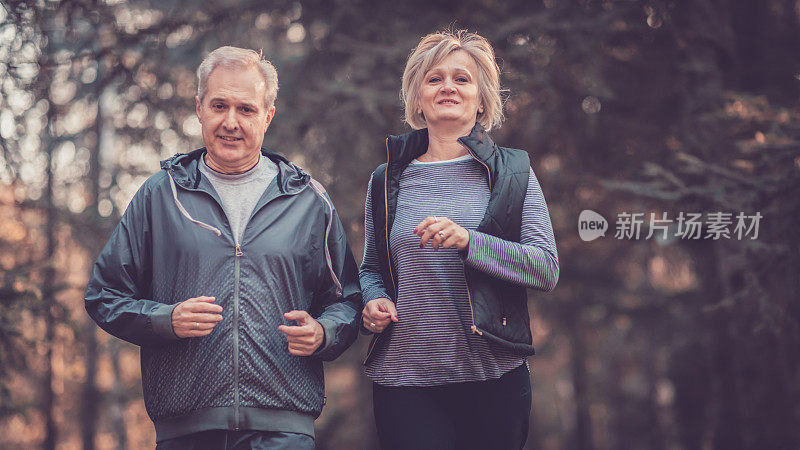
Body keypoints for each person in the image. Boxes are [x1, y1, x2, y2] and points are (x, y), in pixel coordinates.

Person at [85, 46, 361, 449]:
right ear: (199, 108)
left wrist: (323, 332)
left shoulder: (308, 200)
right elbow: (103, 295)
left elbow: (348, 300)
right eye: (219, 105)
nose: (231, 122)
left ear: (268, 116)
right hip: (187, 430)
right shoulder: (162, 195)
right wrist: (166, 319)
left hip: (283, 429)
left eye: (246, 110)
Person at [359, 30, 559, 450]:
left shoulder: (512, 173)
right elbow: (373, 269)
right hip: (404, 381)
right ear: (417, 99)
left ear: (481, 99)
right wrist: (373, 301)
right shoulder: (385, 180)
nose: (447, 86)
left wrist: (470, 241)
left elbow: (544, 266)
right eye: (434, 79)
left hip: (494, 376)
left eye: (461, 79)